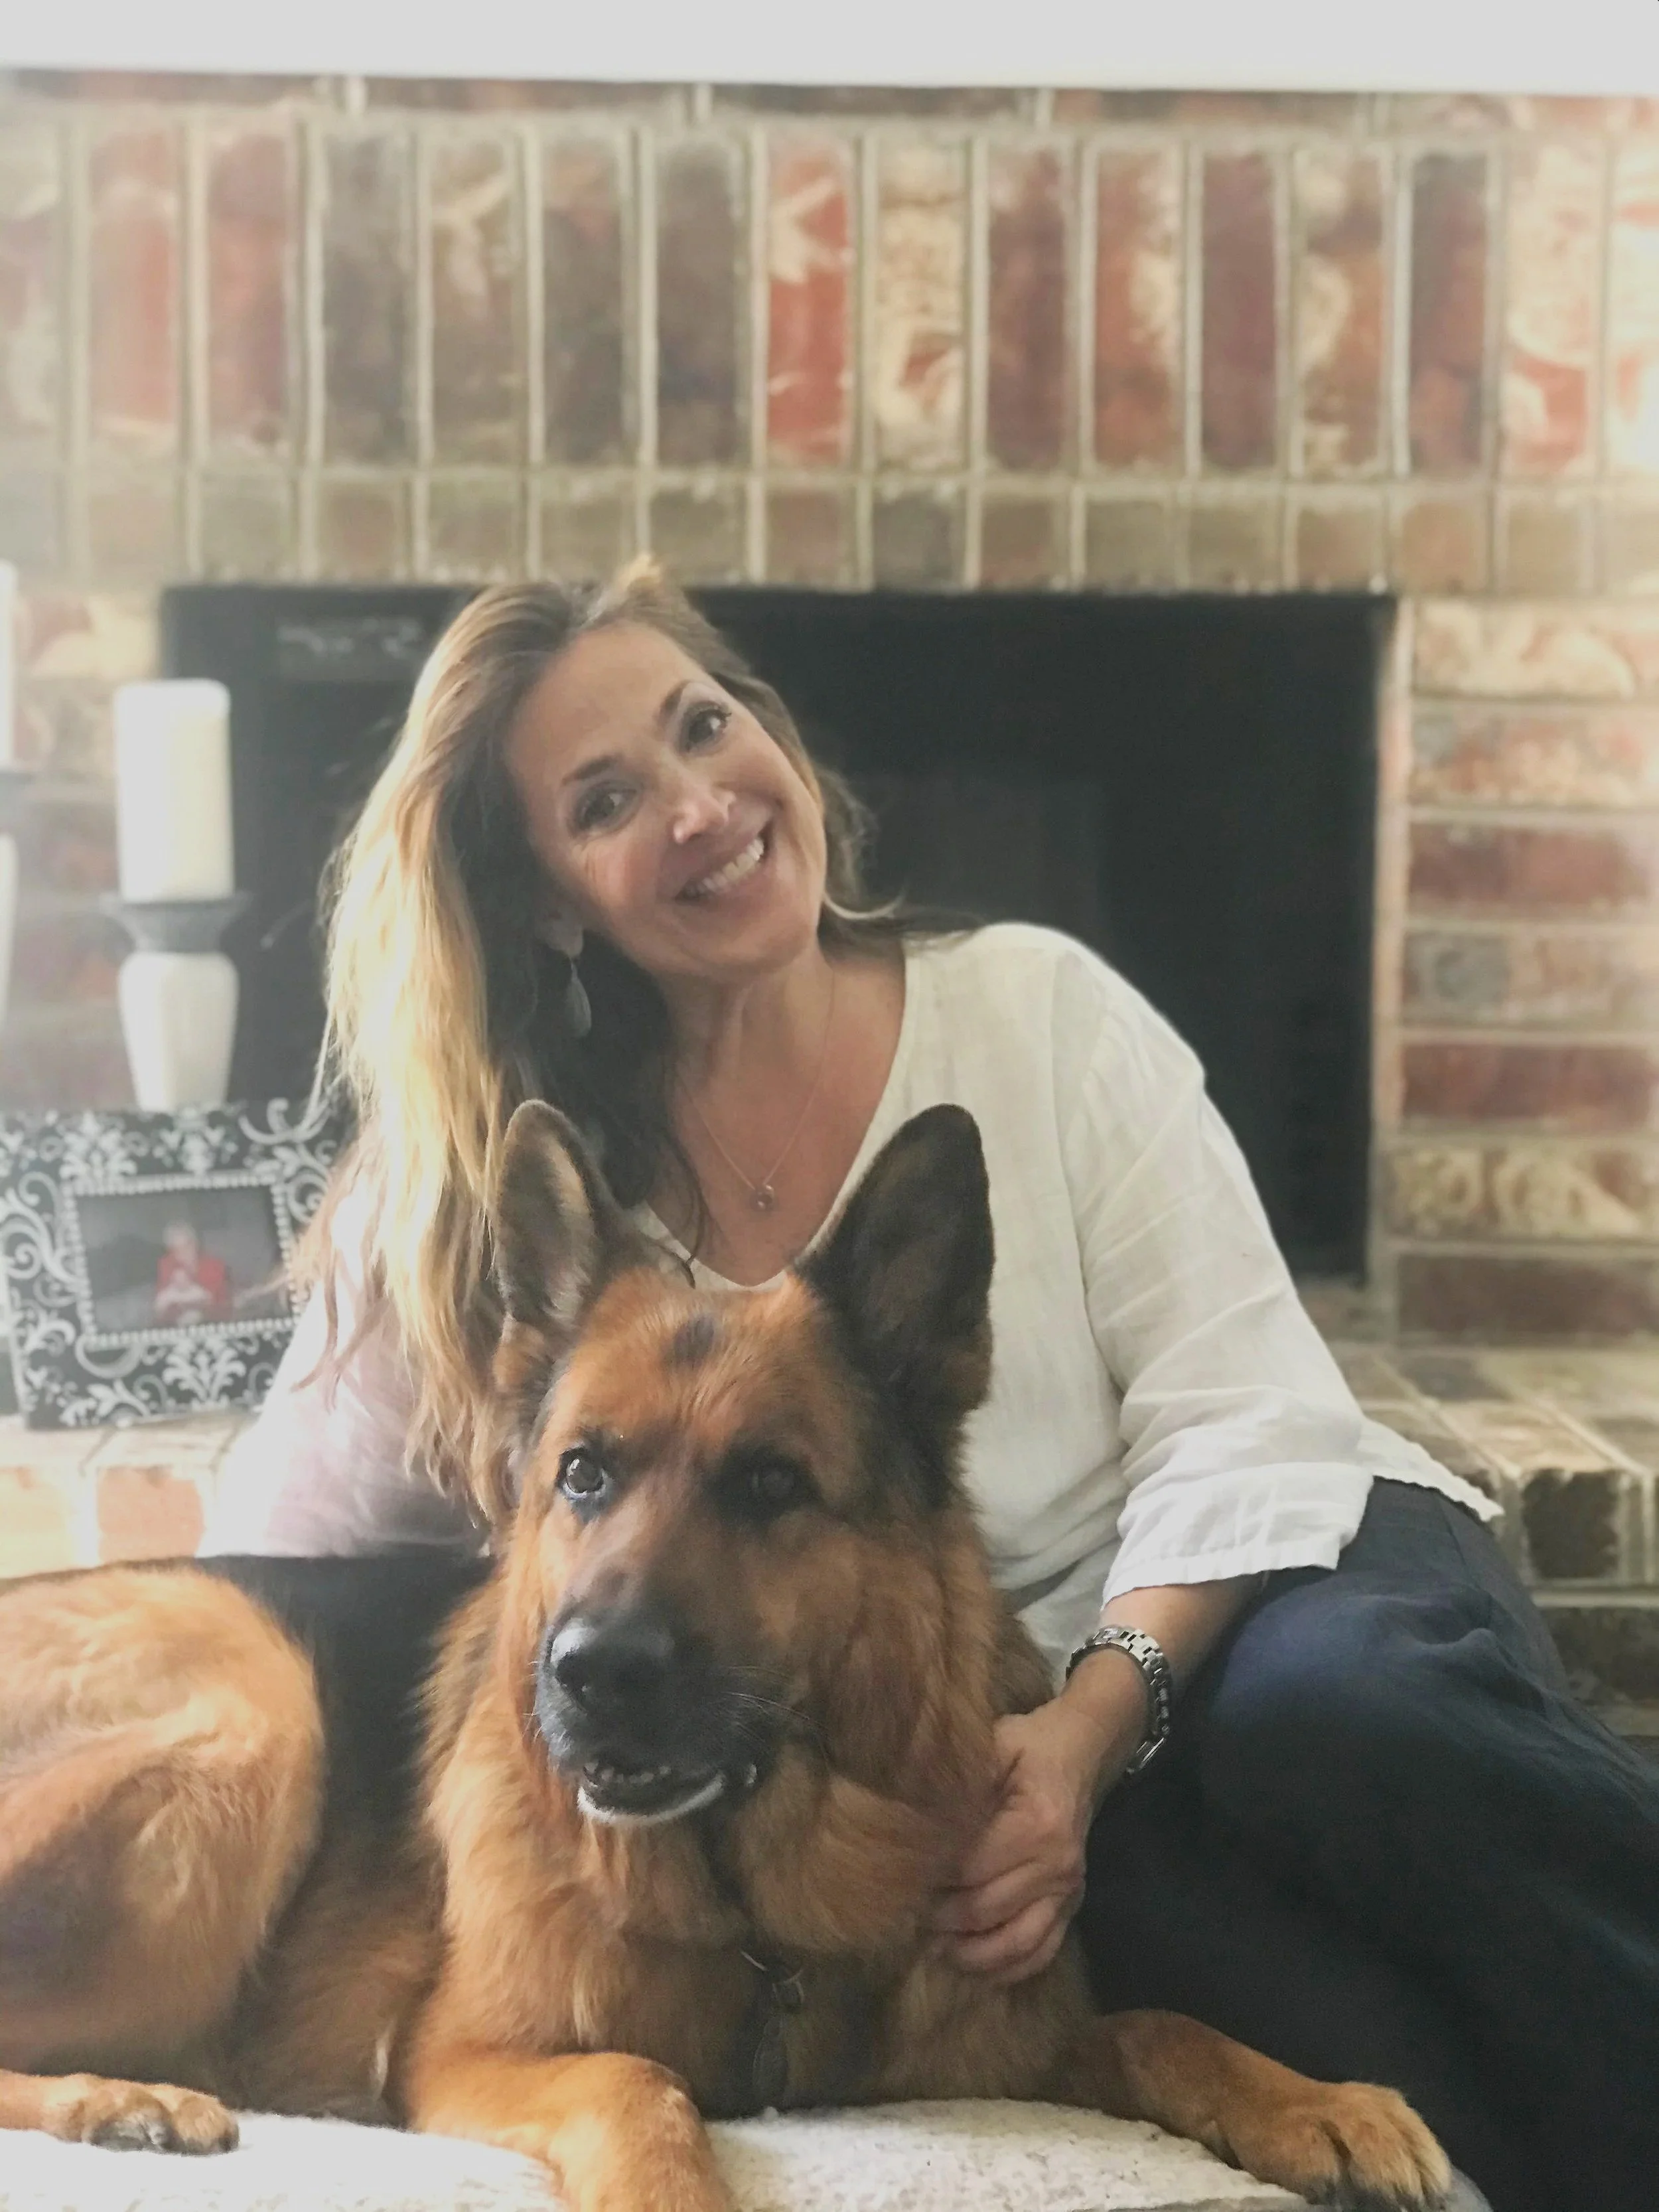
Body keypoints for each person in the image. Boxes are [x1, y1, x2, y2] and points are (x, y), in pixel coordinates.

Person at [202, 561, 1658, 2212]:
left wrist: (1087, 1738)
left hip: (1260, 1569)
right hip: (966, 1721)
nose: (698, 805)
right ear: (549, 898)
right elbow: (292, 1540)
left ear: (776, 737)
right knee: (1267, 2003)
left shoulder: (1040, 1012)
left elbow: (1250, 1416)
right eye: (608, 799)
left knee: (1335, 1729)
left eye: (706, 725)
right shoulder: (499, 1188)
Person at [153, 1220, 231, 1324]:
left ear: (196, 1244)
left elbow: (213, 1303)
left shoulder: (214, 1266)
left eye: (187, 1245)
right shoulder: (167, 1265)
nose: (184, 1253)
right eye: (178, 1249)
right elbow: (162, 1304)